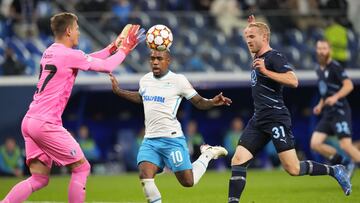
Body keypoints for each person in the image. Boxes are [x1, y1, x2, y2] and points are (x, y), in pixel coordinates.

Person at [1, 12, 145, 203]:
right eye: (77, 29)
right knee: (82, 168)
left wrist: (112, 47)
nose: (78, 33)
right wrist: (125, 49)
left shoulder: (51, 51)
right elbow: (106, 66)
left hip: (30, 121)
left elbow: (86, 59)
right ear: (68, 31)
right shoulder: (69, 55)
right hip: (46, 123)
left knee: (39, 178)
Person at [227, 15, 352, 203]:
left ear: (265, 38)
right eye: (247, 37)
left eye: (252, 37)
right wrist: (251, 27)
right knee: (238, 160)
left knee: (293, 169)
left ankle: (334, 170)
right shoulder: (258, 57)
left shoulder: (274, 57)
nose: (248, 41)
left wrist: (267, 72)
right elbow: (255, 45)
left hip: (276, 118)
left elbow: (293, 80)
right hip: (259, 119)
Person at [110, 48, 232, 203]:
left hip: (172, 140)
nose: (155, 62)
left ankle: (207, 154)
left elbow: (199, 102)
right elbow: (142, 97)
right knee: (145, 176)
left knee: (188, 182)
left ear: (168, 61)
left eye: (159, 59)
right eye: (152, 58)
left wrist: (212, 102)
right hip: (150, 141)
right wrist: (119, 91)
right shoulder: (145, 80)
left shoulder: (178, 81)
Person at [310, 39, 360, 178]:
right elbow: (325, 93)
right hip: (328, 114)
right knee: (315, 143)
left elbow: (349, 85)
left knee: (346, 145)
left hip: (340, 111)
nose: (321, 51)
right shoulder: (319, 70)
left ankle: (350, 162)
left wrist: (336, 97)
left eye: (324, 48)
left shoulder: (335, 67)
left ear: (329, 50)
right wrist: (320, 105)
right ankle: (343, 163)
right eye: (319, 48)